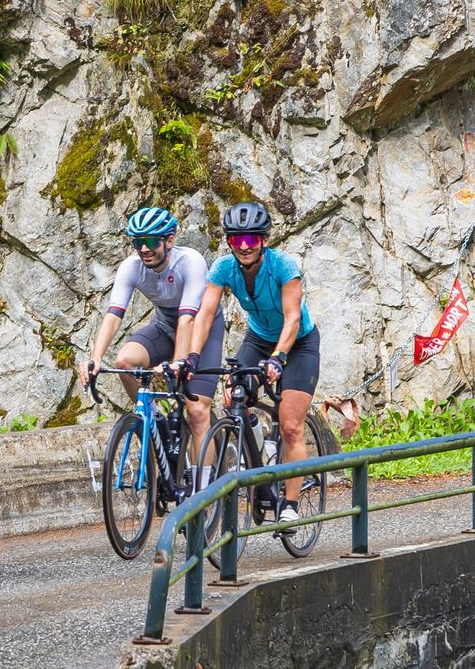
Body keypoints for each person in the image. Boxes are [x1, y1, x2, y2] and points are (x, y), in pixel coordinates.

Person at [186, 201, 321, 525]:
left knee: (291, 426)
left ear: (264, 240)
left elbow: (292, 318)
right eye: (236, 240)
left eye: (251, 239)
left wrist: (279, 357)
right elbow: (205, 314)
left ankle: (290, 505)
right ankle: (261, 445)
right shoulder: (223, 268)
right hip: (258, 339)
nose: (244, 247)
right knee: (234, 397)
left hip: (298, 343)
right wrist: (192, 355)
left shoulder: (283, 266)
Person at [78, 206, 226, 462]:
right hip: (164, 326)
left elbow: (188, 319)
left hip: (201, 331)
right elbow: (113, 315)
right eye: (138, 243)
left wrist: (178, 363)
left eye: (150, 241)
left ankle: (203, 485)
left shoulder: (190, 262)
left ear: (169, 241)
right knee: (124, 361)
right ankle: (155, 422)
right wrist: (95, 358)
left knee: (197, 412)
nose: (144, 249)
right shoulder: (131, 267)